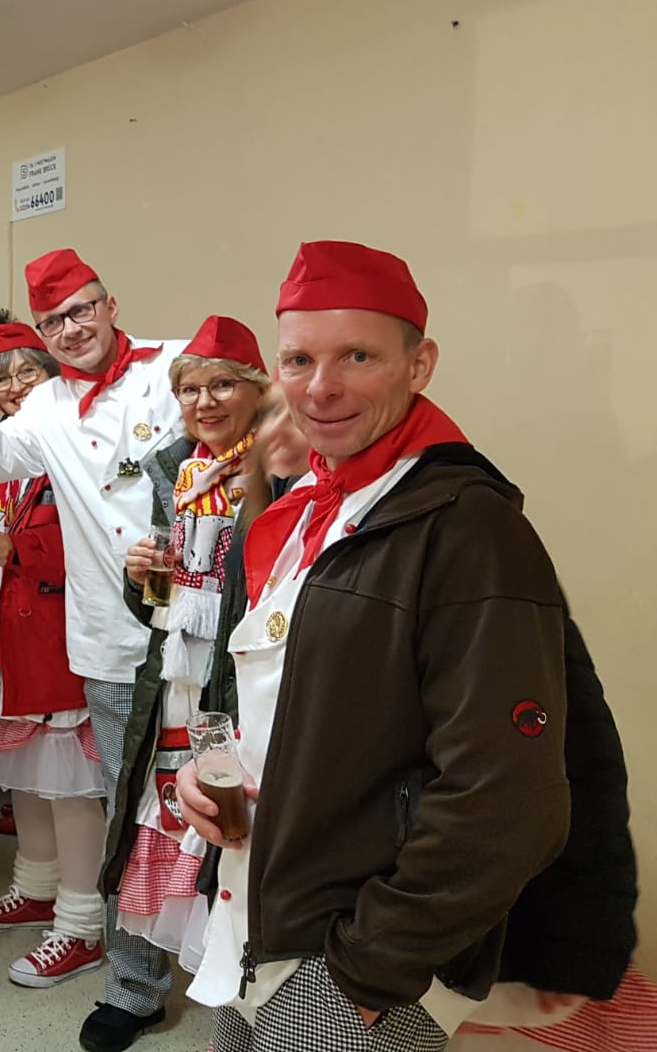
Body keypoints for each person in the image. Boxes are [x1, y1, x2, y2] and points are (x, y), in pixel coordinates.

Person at [177, 240, 570, 1052]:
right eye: (299, 359)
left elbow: (511, 797)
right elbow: (294, 704)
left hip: (352, 956)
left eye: (357, 356)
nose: (320, 387)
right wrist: (212, 780)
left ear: (419, 365)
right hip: (257, 913)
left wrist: (370, 968)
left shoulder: (468, 528)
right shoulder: (307, 511)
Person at [0, 248, 188, 1052]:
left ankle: (239, 969)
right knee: (129, 817)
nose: (70, 330)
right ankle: (135, 986)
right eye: (52, 322)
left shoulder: (175, 367)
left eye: (80, 311)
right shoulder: (43, 407)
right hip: (112, 647)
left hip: (209, 637)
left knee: (229, 807)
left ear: (110, 306)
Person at [110, 316, 269, 974]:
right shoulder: (177, 473)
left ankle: (232, 985)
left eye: (222, 385)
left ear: (258, 391)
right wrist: (141, 579)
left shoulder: (280, 473)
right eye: (190, 389)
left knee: (231, 821)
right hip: (175, 677)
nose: (204, 402)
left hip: (241, 676)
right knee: (161, 812)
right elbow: (158, 608)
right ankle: (138, 986)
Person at [0, 321, 111, 989]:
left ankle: (82, 925)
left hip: (60, 642)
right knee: (27, 781)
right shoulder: (2, 461)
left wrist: (19, 550)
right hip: (10, 643)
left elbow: (100, 543)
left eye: (28, 372)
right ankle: (37, 889)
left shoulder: (80, 446)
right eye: (2, 378)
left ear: (55, 376)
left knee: (71, 789)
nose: (15, 387)